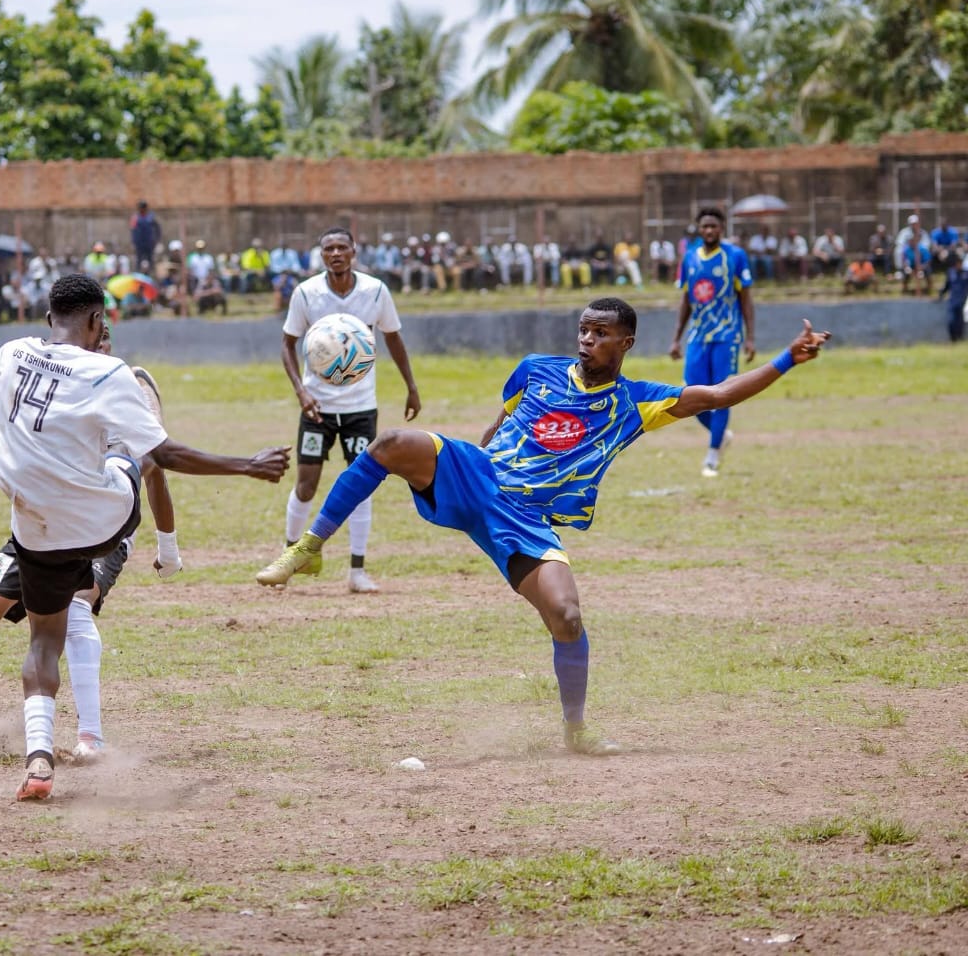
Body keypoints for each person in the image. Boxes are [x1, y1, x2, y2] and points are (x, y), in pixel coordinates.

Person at [257, 297, 831, 754]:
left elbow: (719, 394)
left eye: (601, 333)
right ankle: (308, 547)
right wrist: (468, 463)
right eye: (583, 330)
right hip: (478, 476)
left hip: (527, 520)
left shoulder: (637, 402)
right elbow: (500, 422)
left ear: (626, 343)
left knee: (567, 616)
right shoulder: (535, 370)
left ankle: (575, 732)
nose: (587, 340)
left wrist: (787, 358)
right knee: (389, 444)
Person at [0, 273, 289, 800]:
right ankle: (69, 744)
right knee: (132, 457)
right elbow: (165, 455)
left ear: (49, 317)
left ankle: (38, 760)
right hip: (101, 521)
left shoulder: (10, 354)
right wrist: (247, 465)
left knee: (43, 640)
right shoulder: (109, 372)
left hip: (33, 525)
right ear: (98, 320)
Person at [0, 324, 185, 760]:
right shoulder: (55, 389)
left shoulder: (121, 393)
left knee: (78, 604)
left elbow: (156, 469)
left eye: (105, 339)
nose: (97, 344)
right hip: (42, 530)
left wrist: (168, 549)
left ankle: (91, 738)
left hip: (101, 532)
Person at [277, 227, 422, 594]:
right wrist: (301, 393)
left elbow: (393, 337)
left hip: (361, 408)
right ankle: (290, 558)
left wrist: (411, 386)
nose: (336, 253)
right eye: (329, 248)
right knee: (306, 485)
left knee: (361, 487)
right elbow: (287, 344)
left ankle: (357, 571)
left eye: (342, 247)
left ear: (354, 252)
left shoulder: (375, 291)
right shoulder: (306, 293)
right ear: (321, 255)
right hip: (317, 407)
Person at [669, 206, 756, 478]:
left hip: (727, 336)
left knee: (722, 395)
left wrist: (750, 337)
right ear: (699, 229)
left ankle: (712, 456)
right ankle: (721, 435)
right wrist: (676, 338)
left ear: (722, 228)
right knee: (691, 393)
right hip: (698, 336)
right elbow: (686, 300)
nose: (709, 231)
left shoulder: (735, 256)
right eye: (704, 226)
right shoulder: (689, 257)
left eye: (713, 226)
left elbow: (746, 299)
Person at [937, 252, 968, 343]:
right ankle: (953, 339)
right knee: (951, 321)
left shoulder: (966, 274)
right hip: (952, 301)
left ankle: (959, 338)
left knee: (960, 322)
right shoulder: (951, 272)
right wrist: (941, 293)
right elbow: (947, 285)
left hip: (962, 301)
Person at [129, 201, 161, 270]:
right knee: (139, 260)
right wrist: (133, 242)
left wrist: (157, 239)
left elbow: (157, 228)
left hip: (149, 243)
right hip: (139, 243)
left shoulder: (151, 217)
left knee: (150, 259)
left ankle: (151, 272)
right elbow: (133, 230)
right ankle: (138, 272)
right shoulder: (135, 217)